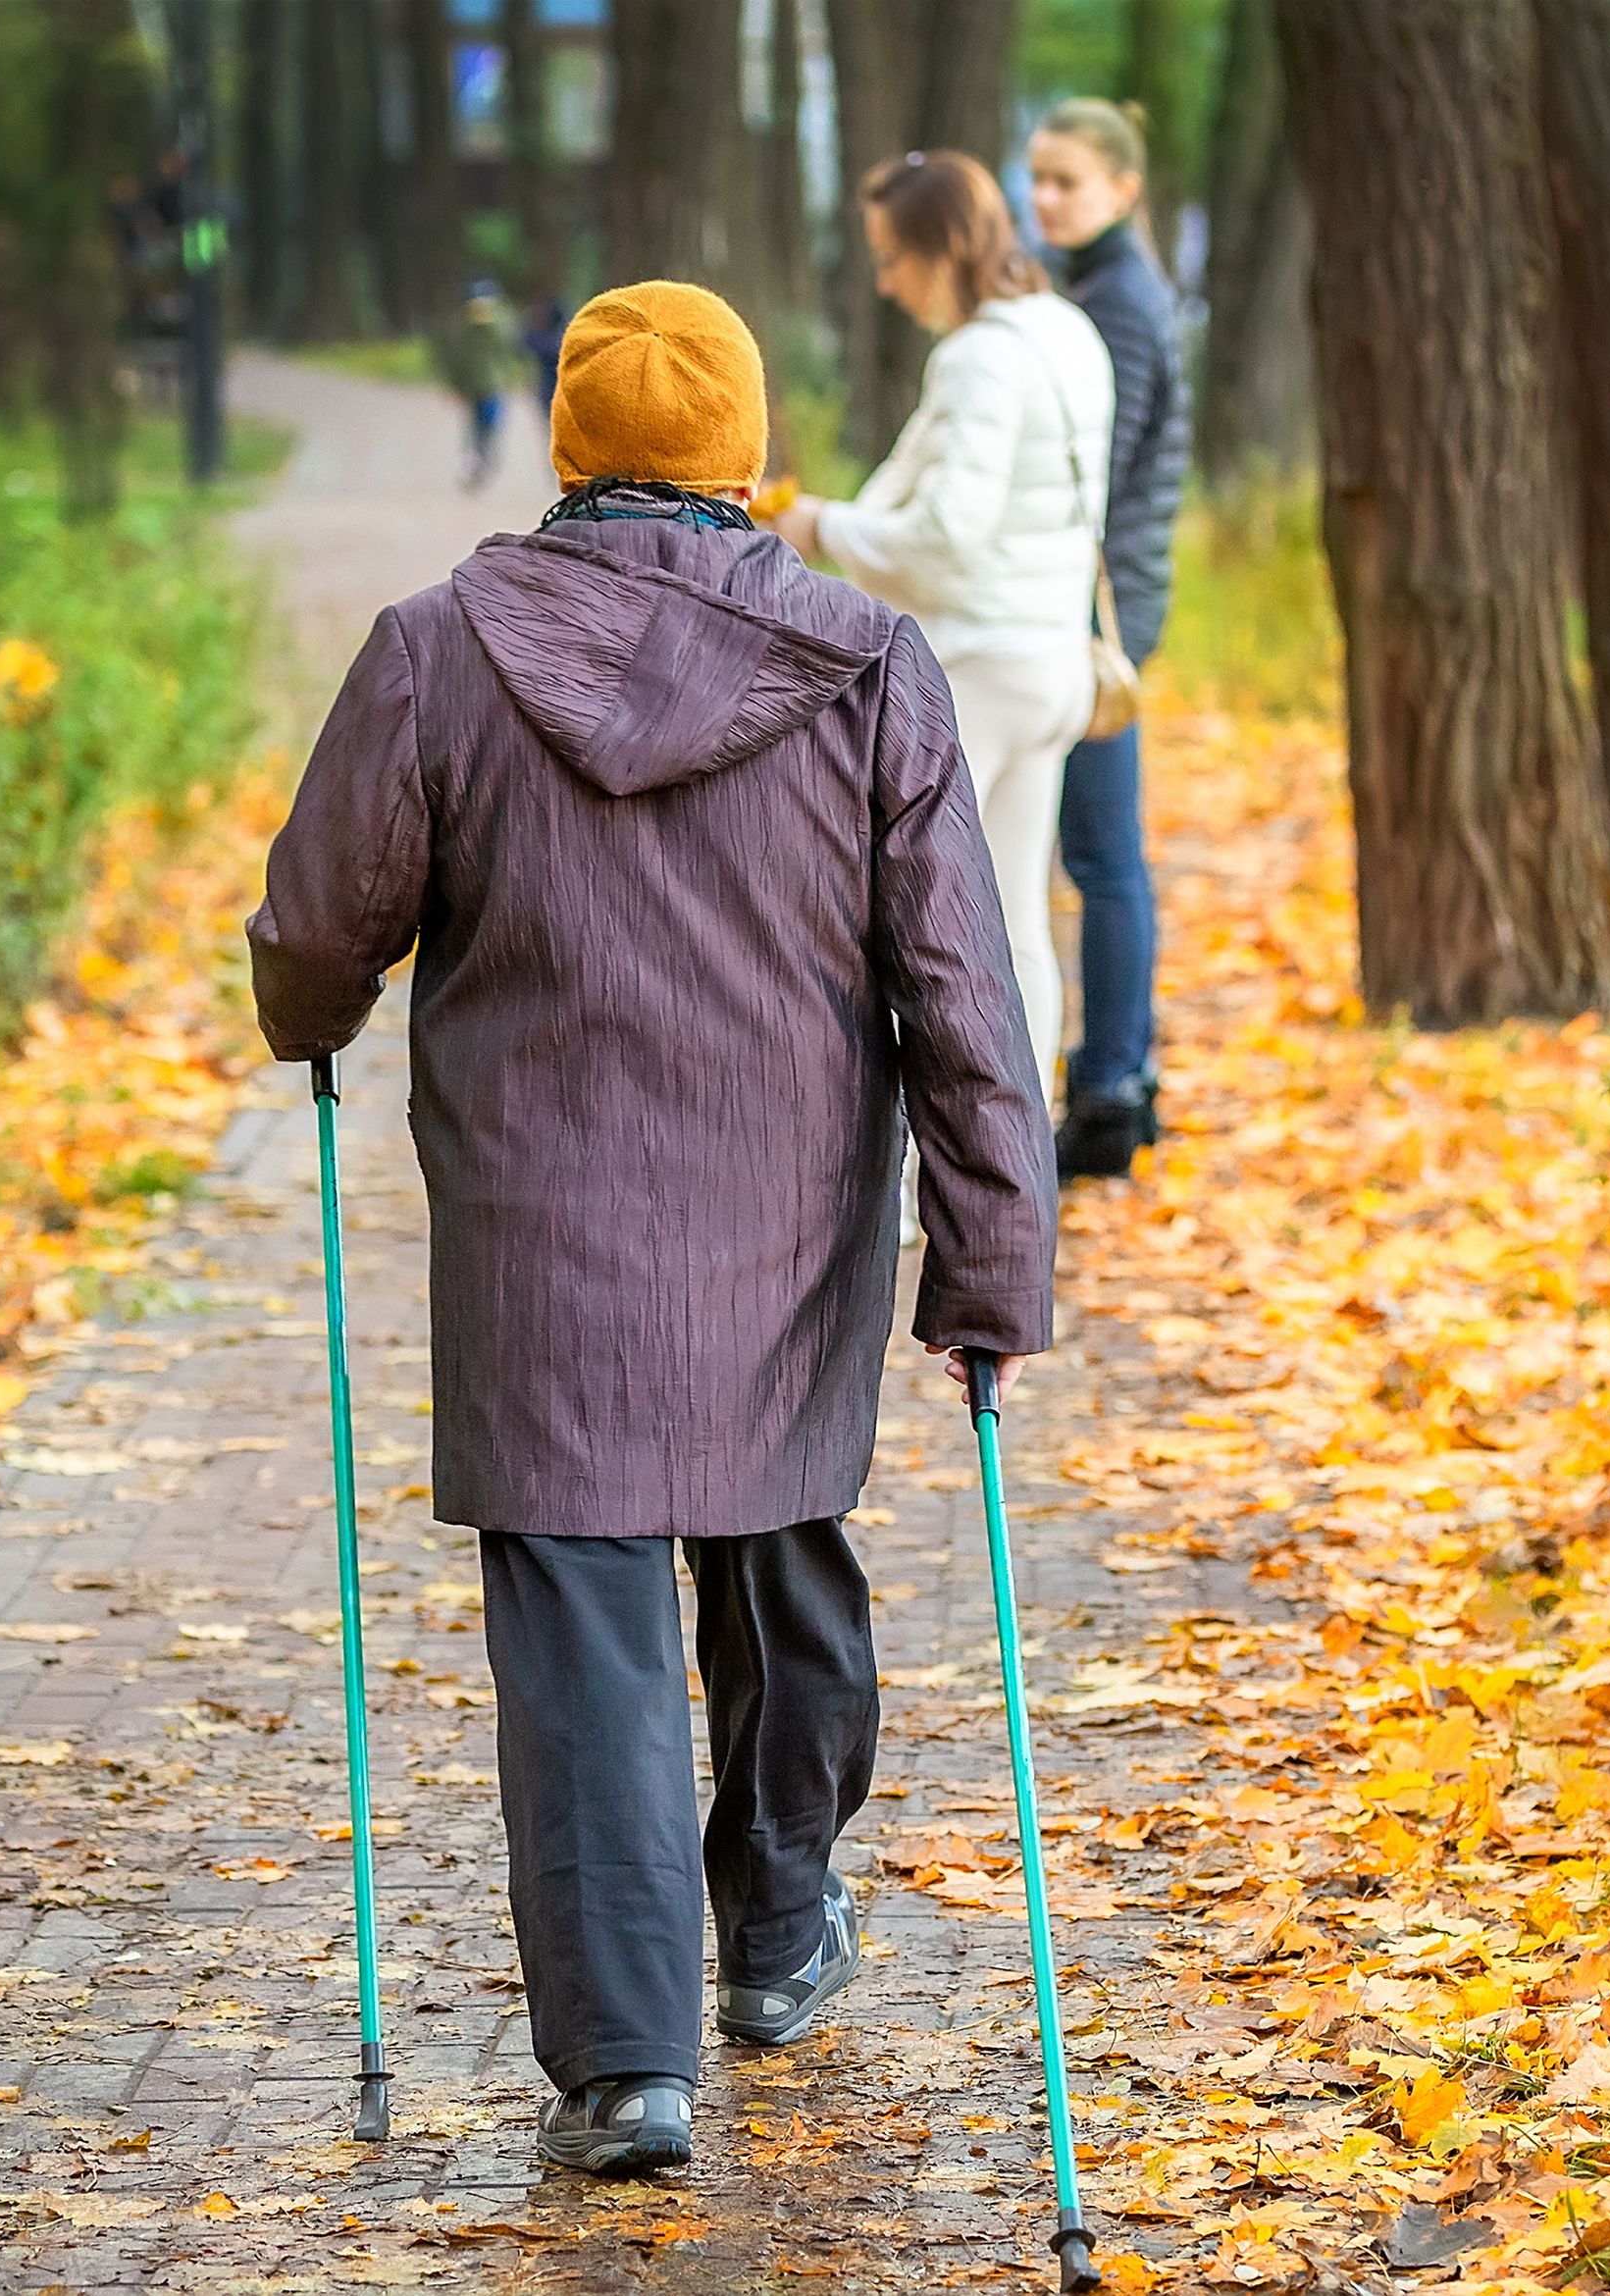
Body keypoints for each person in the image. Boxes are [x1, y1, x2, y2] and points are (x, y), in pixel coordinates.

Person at [248, 281, 1056, 2179]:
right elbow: (962, 993)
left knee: (589, 1631)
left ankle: (628, 2067)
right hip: (786, 1232)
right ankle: (775, 1931)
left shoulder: (440, 648)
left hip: (542, 1243)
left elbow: (315, 924)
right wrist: (988, 1257)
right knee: (782, 1558)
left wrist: (308, 1022)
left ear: (565, 445)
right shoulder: (868, 664)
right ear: (748, 458)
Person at [767, 150, 1117, 1114]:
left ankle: (917, 1177)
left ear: (939, 248)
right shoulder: (1065, 331)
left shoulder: (976, 357)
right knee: (1015, 929)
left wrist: (818, 527)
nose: (884, 281)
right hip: (1051, 661)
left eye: (891, 257)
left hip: (979, 669)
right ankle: (1020, 1163)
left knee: (911, 933)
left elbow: (947, 536)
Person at [1026, 99, 1189, 1181]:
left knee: (1101, 856)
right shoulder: (1096, 287)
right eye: (1036, 178)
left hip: (1101, 618)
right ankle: (1115, 1076)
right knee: (1100, 853)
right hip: (1104, 608)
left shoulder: (1119, 302)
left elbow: (1097, 470)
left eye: (1067, 183)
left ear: (1122, 191)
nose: (1045, 199)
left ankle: (1114, 1089)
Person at [437, 280, 521, 491]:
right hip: (472, 386)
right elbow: (455, 358)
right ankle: (475, 463)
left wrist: (488, 325)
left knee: (491, 425)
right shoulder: (463, 327)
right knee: (474, 427)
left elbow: (509, 348)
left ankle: (486, 461)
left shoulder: (501, 322)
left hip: (494, 384)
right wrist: (454, 386)